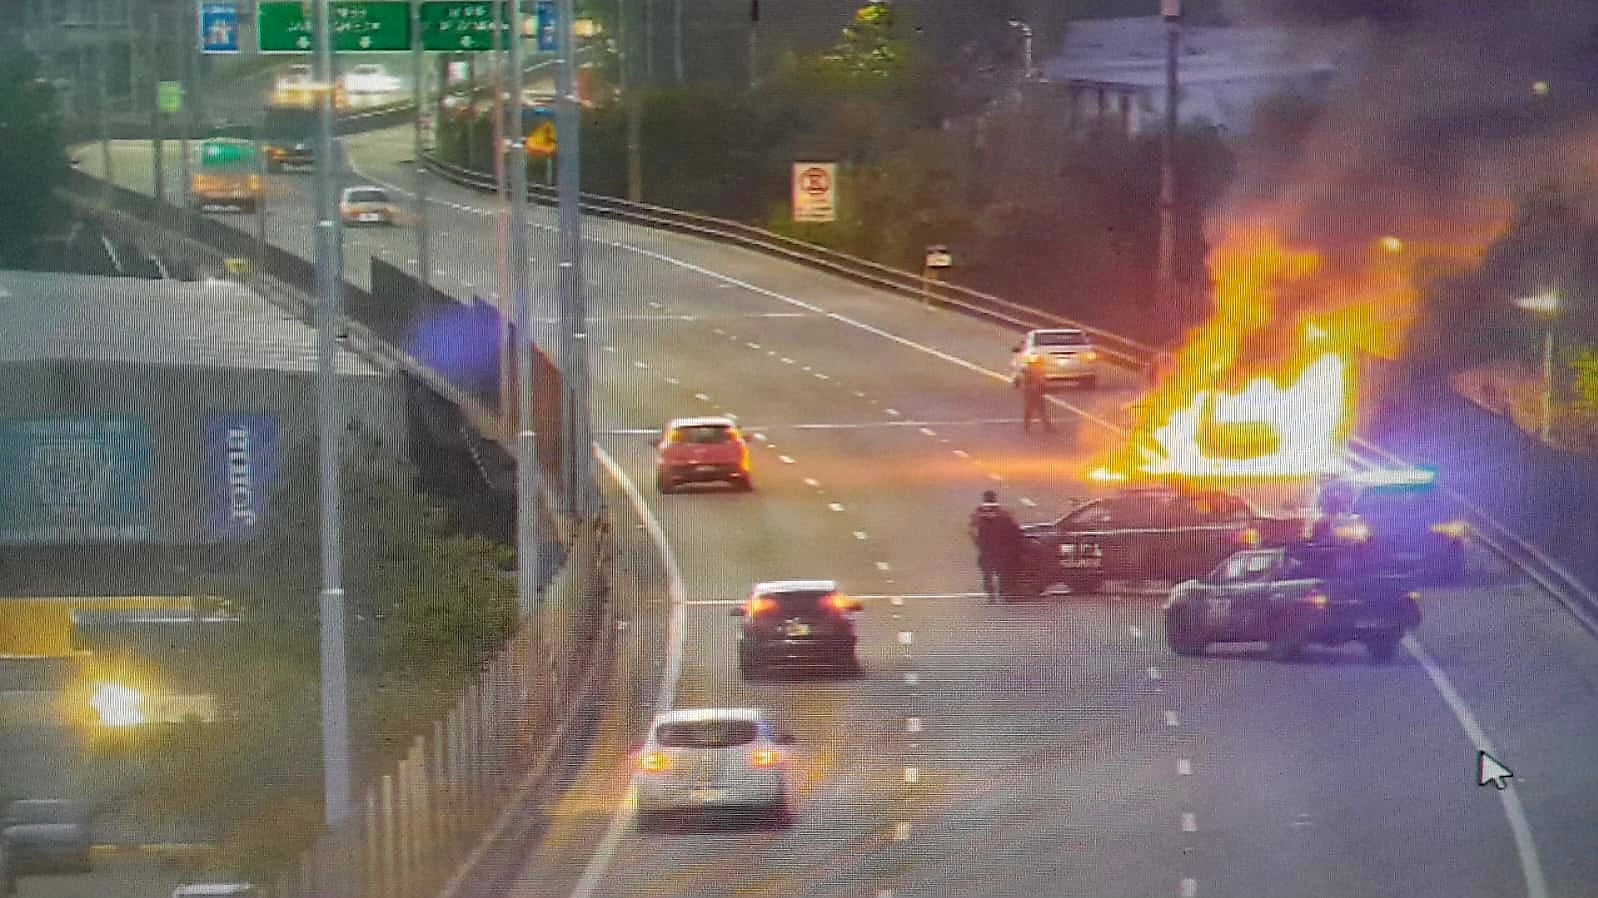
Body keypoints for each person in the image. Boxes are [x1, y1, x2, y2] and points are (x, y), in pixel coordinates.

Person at [969, 490, 1024, 604]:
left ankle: (991, 596)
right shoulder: (1003, 512)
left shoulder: (978, 513)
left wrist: (978, 543)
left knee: (987, 572)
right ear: (995, 498)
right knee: (1003, 571)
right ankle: (1005, 593)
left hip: (986, 548)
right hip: (1001, 547)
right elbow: (1014, 529)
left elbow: (972, 530)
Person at [1020, 356, 1054, 433]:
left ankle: (1027, 426)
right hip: (1035, 392)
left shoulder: (1029, 369)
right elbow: (1041, 382)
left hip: (1030, 392)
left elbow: (1023, 381)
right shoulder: (1036, 370)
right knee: (1040, 410)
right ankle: (1046, 427)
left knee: (1030, 410)